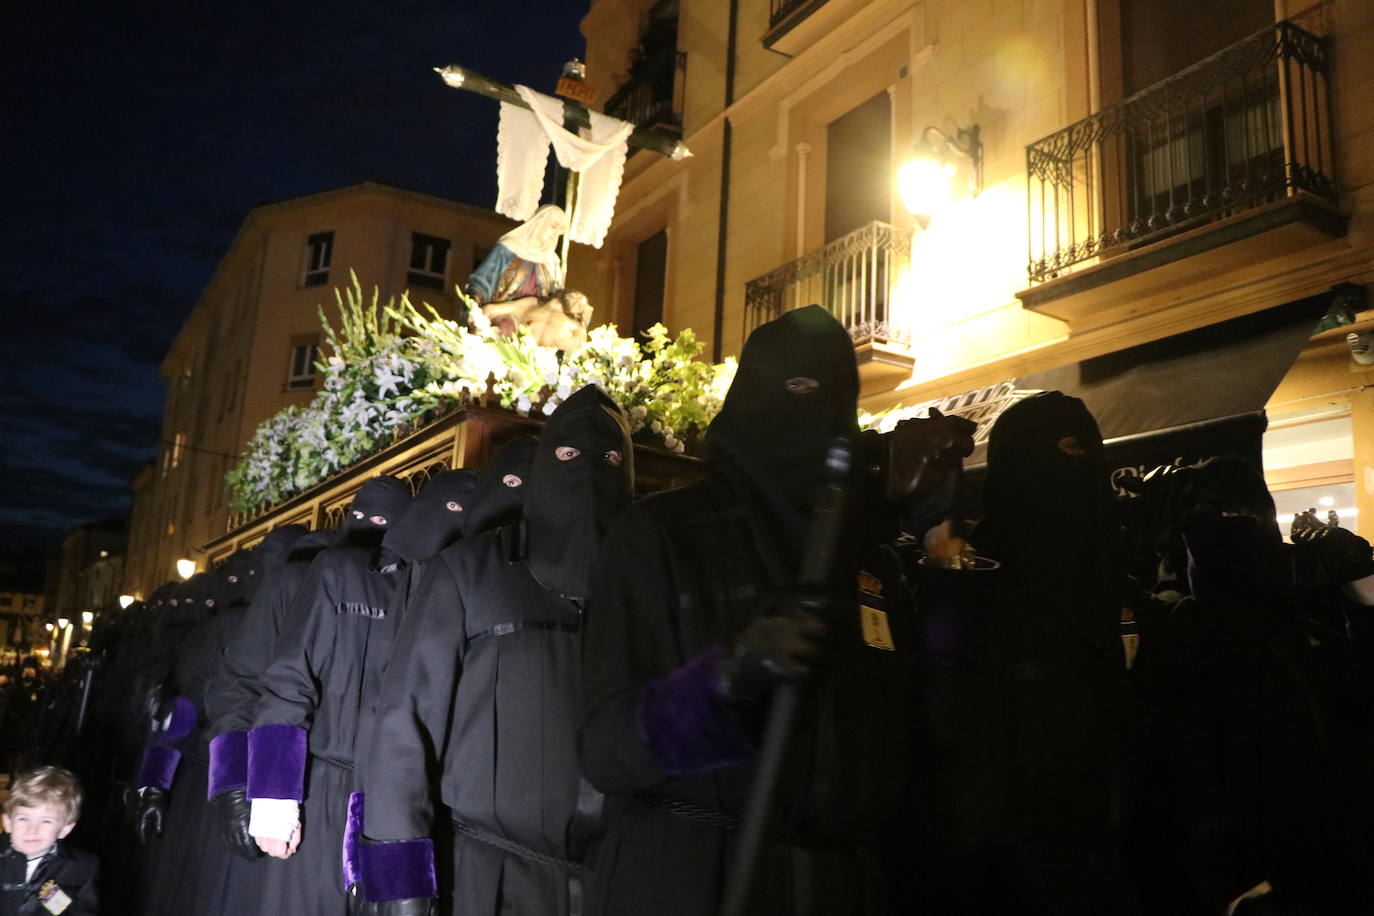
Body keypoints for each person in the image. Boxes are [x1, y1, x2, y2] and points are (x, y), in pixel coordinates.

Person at [577, 305, 915, 916]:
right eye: (797, 391)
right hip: (694, 880)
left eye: (835, 398)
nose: (817, 422)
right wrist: (727, 678)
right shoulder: (661, 536)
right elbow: (605, 750)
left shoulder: (868, 563)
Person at [355, 385, 633, 916]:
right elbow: (403, 726)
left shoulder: (644, 580)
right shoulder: (469, 572)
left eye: (612, 460)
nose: (590, 476)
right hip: (489, 880)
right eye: (570, 456)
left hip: (619, 881)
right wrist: (400, 883)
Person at [245, 472, 475, 914]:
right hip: (323, 793)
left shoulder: (459, 590)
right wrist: (274, 803)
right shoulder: (341, 572)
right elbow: (290, 681)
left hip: (408, 807)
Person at [466, 205, 593, 350]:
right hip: (507, 310)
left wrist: (579, 311)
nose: (555, 234)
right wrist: (474, 302)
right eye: (553, 226)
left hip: (536, 314)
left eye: (560, 231)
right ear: (540, 223)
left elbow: (558, 297)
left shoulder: (552, 262)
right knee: (506, 329)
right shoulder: (508, 248)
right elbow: (482, 280)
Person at [0, 766, 97, 915]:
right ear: (7, 822)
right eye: (24, 818)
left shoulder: (81, 867)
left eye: (46, 821)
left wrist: (54, 900)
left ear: (65, 828)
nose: (32, 830)